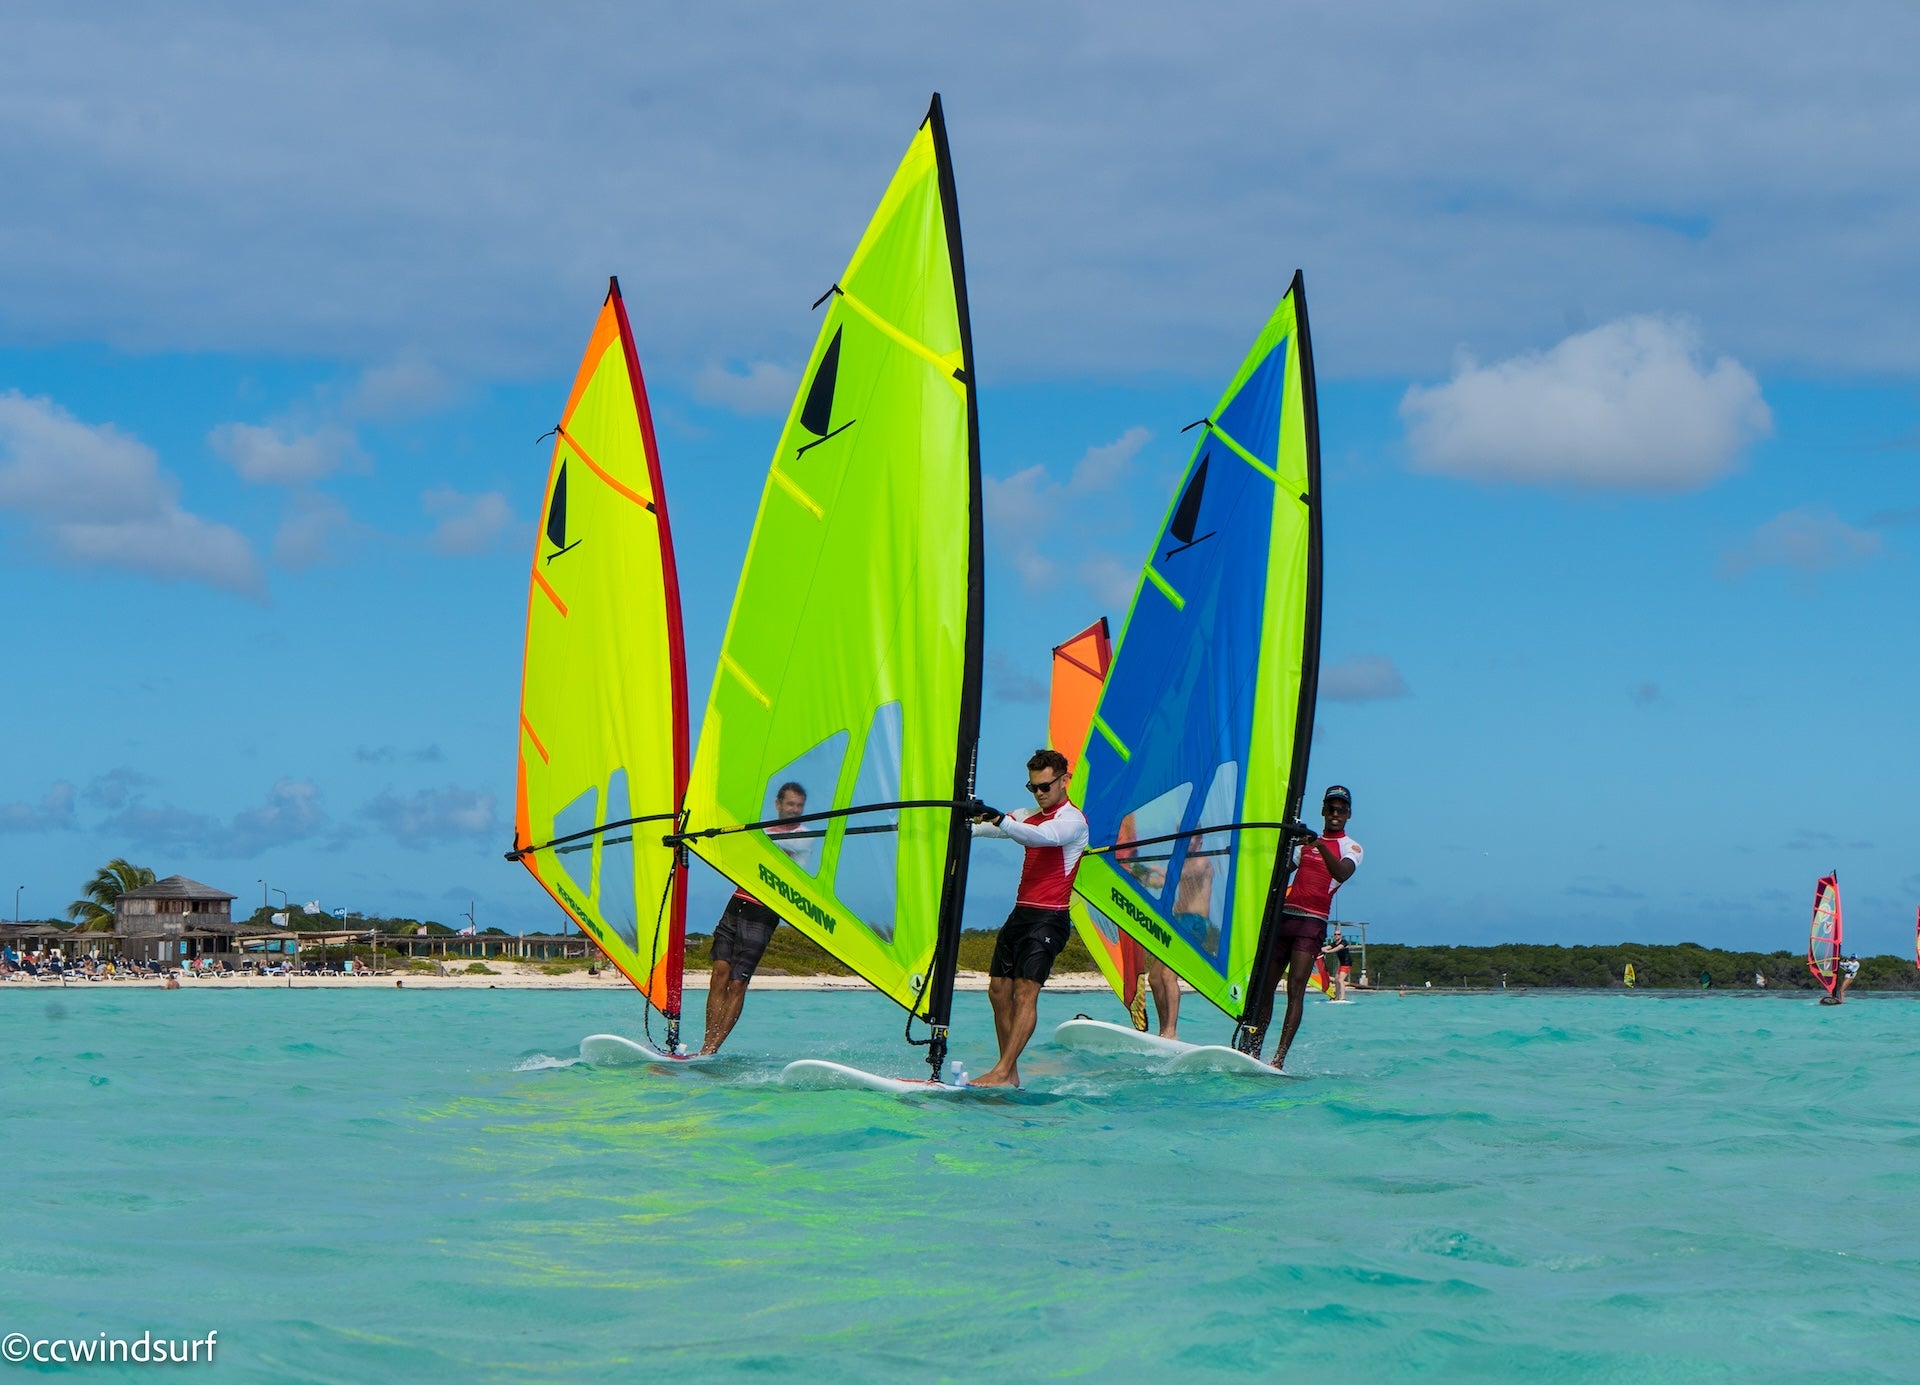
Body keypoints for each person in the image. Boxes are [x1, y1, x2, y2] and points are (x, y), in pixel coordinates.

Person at [968, 749, 1089, 1087]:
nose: (1039, 793)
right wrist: (966, 820)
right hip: (1021, 914)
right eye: (1032, 787)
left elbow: (1040, 837)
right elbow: (989, 830)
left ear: (1064, 781)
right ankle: (1009, 1073)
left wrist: (1000, 819)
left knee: (1025, 991)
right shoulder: (1028, 814)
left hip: (1049, 919)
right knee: (997, 990)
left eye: (1045, 786)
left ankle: (1003, 1070)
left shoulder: (1071, 821)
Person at [1243, 785, 1363, 1069]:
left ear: (1348, 815)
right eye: (1330, 809)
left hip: (1311, 924)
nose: (1335, 814)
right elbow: (1277, 871)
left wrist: (1319, 845)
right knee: (1265, 988)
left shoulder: (1351, 847)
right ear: (1323, 810)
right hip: (1284, 920)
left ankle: (1278, 1059)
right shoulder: (1304, 845)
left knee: (1295, 988)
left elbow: (1342, 873)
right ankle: (1253, 1051)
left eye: (1341, 810)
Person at [701, 781, 810, 1054]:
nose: (795, 810)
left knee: (738, 982)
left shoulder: (806, 834)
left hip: (764, 911)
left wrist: (755, 845)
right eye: (790, 804)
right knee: (720, 972)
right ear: (778, 804)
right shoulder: (759, 830)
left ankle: (712, 1048)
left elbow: (788, 870)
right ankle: (706, 1044)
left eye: (799, 806)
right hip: (737, 902)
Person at [1116, 815, 1183, 1039]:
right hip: (1177, 925)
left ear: (1200, 841)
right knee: (1155, 978)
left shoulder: (1201, 861)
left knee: (1167, 976)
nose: (1187, 844)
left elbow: (1175, 878)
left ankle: (1171, 1031)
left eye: (1193, 840)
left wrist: (1156, 869)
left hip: (1194, 926)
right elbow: (1156, 882)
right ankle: (1164, 1030)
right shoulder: (1182, 860)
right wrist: (1132, 871)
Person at [1324, 928, 1353, 1001]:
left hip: (1347, 963)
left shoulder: (1343, 942)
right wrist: (1320, 949)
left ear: (1341, 935)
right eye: (1335, 934)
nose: (1337, 935)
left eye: (1338, 934)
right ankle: (1336, 997)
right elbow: (1326, 947)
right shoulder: (1334, 943)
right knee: (1336, 980)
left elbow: (1337, 949)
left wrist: (1328, 952)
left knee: (1340, 980)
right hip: (1341, 964)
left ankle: (1343, 998)